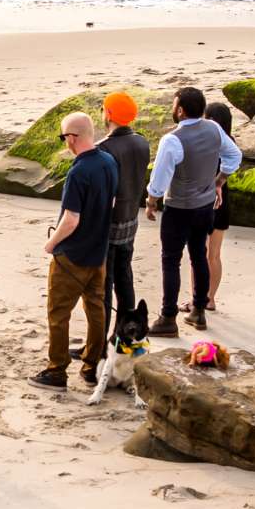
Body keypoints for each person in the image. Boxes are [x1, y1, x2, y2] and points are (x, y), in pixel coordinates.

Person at [146, 86, 244, 336]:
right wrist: (220, 179)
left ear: (180, 110)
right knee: (198, 254)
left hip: (179, 207)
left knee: (171, 259)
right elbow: (234, 155)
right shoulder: (213, 129)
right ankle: (199, 311)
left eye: (174, 104)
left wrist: (152, 200)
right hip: (205, 206)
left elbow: (160, 177)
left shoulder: (172, 140)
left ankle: (168, 317)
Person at [34, 111, 119, 390]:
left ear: (72, 138)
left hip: (72, 256)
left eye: (63, 137)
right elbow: (113, 201)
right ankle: (92, 365)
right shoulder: (109, 161)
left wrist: (51, 244)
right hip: (99, 251)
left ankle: (56, 370)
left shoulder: (79, 171)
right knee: (96, 308)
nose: (64, 143)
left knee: (58, 313)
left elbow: (71, 218)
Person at [97, 92, 153, 334]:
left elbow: (102, 195)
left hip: (109, 224)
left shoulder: (105, 149)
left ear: (108, 114)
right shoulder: (142, 142)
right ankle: (123, 333)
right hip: (131, 219)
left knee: (104, 284)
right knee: (124, 278)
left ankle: (98, 343)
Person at [205, 100, 237, 312]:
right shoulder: (230, 143)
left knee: (200, 255)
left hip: (204, 201)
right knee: (214, 254)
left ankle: (200, 298)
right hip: (222, 201)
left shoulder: (207, 143)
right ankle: (211, 298)